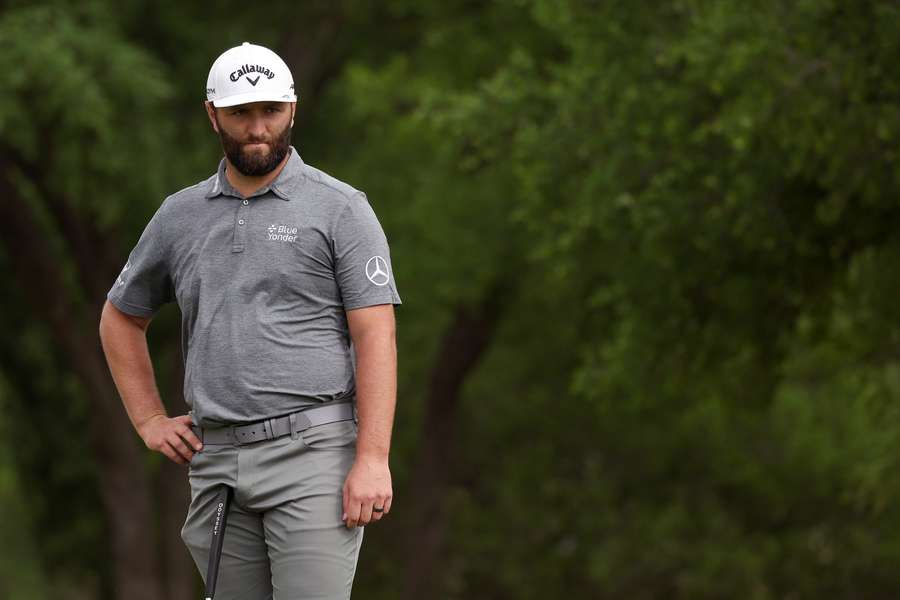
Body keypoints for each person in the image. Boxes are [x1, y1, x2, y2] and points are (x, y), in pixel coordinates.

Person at [98, 41, 401, 599]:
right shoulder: (179, 216)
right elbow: (120, 318)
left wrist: (373, 459)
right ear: (213, 114)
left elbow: (375, 334)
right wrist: (149, 420)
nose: (257, 128)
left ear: (293, 109)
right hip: (217, 465)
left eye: (270, 111)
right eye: (241, 113)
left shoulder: (341, 208)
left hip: (314, 454)